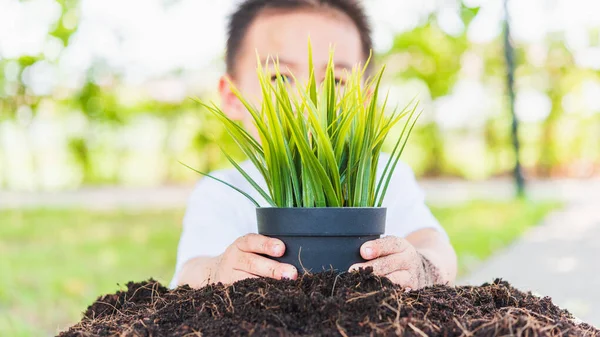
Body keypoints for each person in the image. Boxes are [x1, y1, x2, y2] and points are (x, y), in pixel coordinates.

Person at [170, 0, 457, 290]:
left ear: (365, 101)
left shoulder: (385, 174)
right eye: (280, 78)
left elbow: (435, 245)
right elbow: (190, 270)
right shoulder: (221, 191)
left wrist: (423, 267)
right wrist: (218, 271)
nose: (311, 101)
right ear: (233, 98)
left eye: (336, 80)